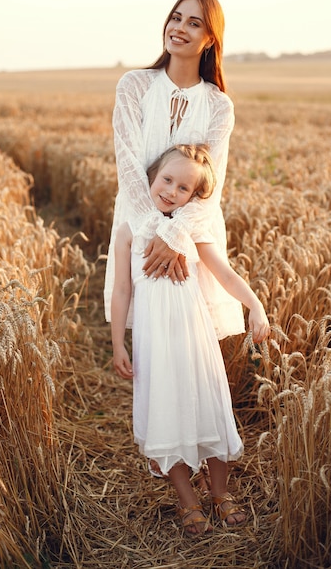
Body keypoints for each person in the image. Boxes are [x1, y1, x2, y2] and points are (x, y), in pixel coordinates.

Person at [111, 144, 271, 537]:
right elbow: (120, 292)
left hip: (194, 339)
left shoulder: (190, 230)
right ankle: (187, 499)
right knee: (166, 412)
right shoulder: (129, 229)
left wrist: (255, 306)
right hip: (154, 343)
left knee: (210, 407)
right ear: (152, 177)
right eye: (167, 179)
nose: (171, 191)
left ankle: (219, 492)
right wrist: (118, 343)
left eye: (183, 187)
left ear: (193, 196)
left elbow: (226, 274)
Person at [104, 0, 245, 341]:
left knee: (189, 345)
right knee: (151, 349)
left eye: (193, 23)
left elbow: (211, 187)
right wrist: (156, 233)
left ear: (210, 39)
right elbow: (129, 169)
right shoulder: (134, 86)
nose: (179, 27)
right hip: (138, 228)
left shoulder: (219, 106)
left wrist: (175, 236)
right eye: (176, 17)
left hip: (192, 238)